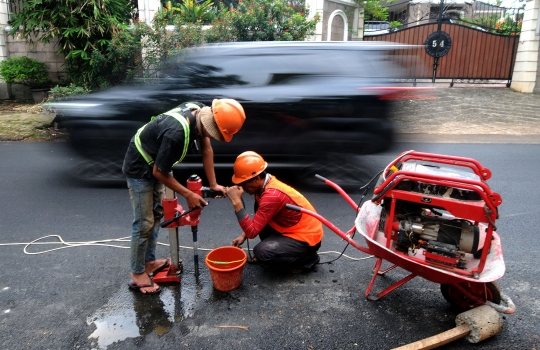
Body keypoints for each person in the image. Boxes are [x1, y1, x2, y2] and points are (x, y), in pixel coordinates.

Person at [123, 99, 246, 294]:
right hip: (140, 167)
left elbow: (206, 149)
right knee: (144, 222)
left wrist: (213, 184)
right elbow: (158, 172)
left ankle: (149, 262)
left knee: (156, 215)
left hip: (157, 159)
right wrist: (189, 194)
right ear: (209, 124)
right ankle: (137, 274)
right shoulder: (176, 135)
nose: (212, 137)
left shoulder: (199, 111)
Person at [225, 151, 323, 273]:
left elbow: (252, 233)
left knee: (262, 253)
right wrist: (243, 235)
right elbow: (261, 217)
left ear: (256, 179)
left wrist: (236, 202)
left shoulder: (272, 195)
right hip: (290, 228)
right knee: (259, 208)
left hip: (307, 239)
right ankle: (280, 252)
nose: (242, 187)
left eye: (244, 183)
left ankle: (307, 260)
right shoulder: (264, 186)